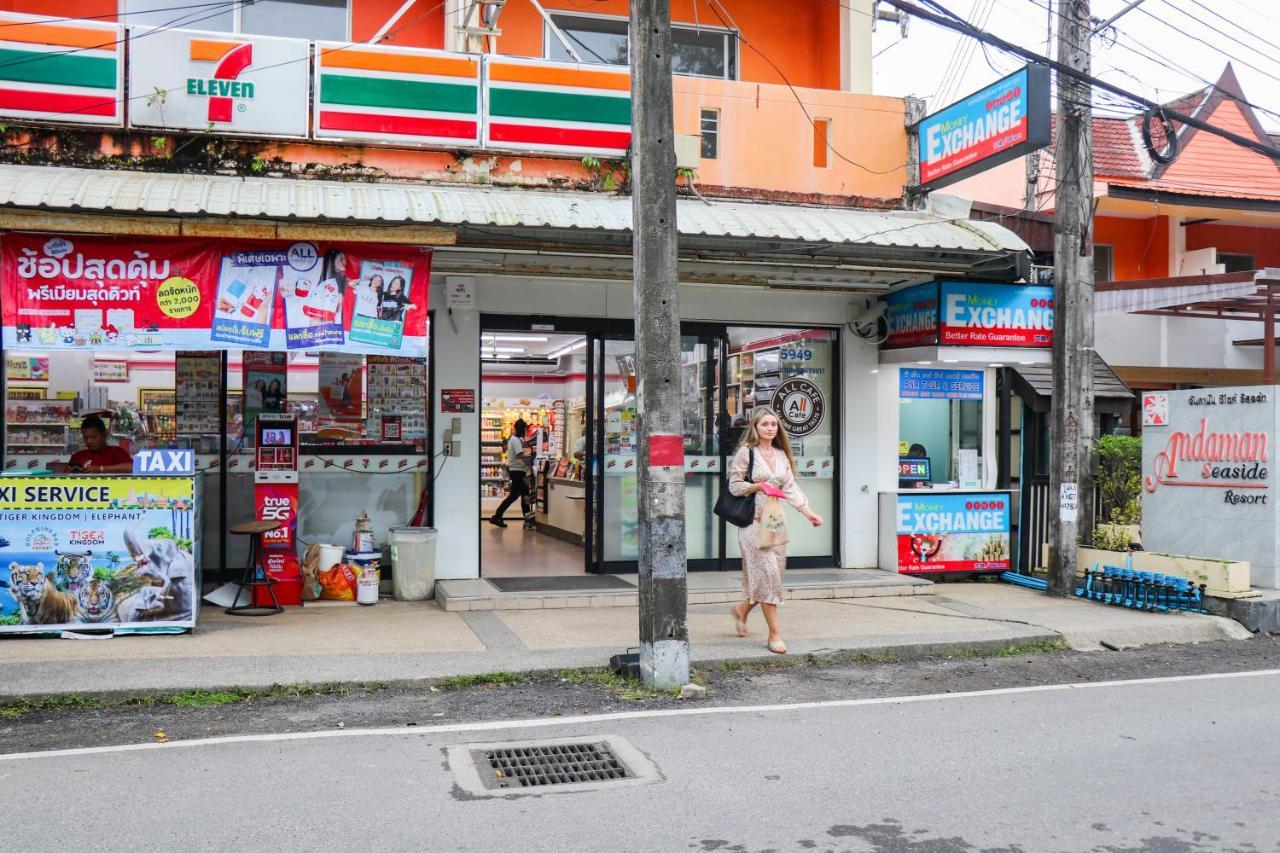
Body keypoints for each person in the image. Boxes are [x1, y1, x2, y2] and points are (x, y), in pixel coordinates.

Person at [727, 408, 823, 655]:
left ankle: (741, 610)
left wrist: (808, 512)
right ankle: (774, 634)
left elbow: (790, 487)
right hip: (752, 524)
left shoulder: (781, 455)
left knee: (772, 578)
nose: (770, 428)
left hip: (775, 524)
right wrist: (759, 486)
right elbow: (735, 487)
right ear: (756, 428)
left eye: (773, 424)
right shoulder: (746, 453)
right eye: (765, 424)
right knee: (768, 577)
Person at [489, 419, 535, 530]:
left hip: (518, 471)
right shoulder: (515, 440)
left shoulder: (515, 439)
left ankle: (527, 519)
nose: (525, 431)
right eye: (524, 429)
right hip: (517, 471)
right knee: (515, 496)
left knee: (524, 495)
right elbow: (519, 455)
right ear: (521, 429)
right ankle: (497, 516)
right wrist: (531, 456)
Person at [51, 416, 133, 474]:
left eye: (93, 437)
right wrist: (69, 473)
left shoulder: (116, 452)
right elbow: (66, 477)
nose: (89, 441)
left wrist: (100, 469)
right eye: (86, 437)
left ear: (104, 434)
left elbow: (131, 467)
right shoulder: (78, 456)